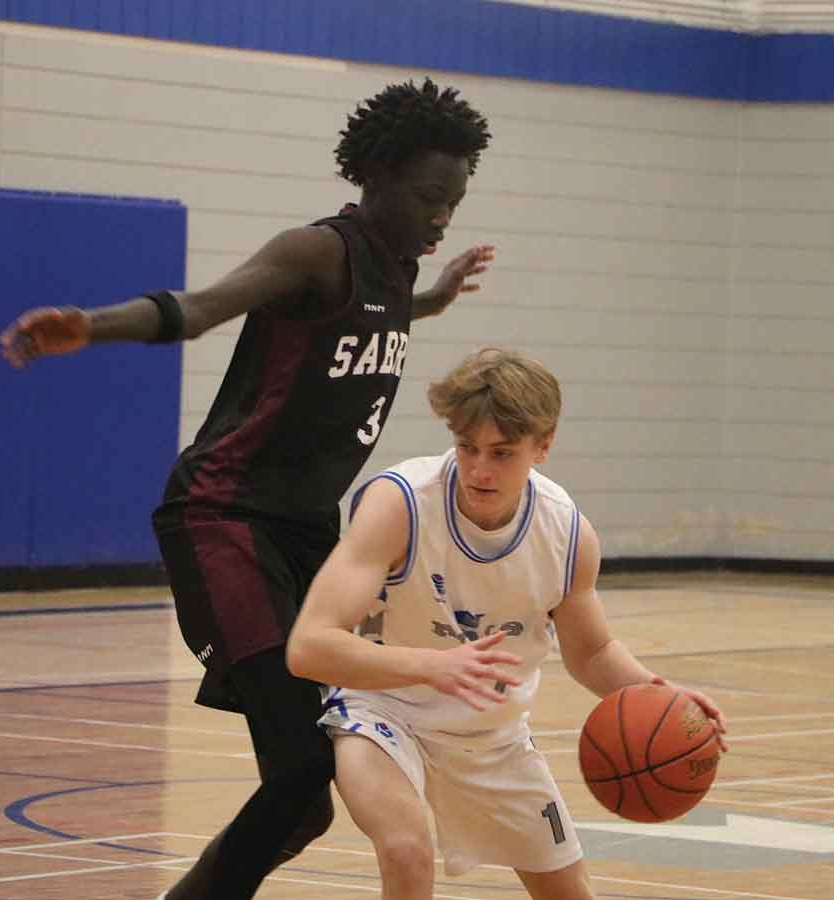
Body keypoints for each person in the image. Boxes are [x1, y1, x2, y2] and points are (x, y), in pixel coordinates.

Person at [0, 78, 493, 900]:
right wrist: (93, 324)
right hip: (224, 518)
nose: (444, 217)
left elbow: (390, 310)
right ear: (376, 174)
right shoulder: (315, 253)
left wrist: (436, 296)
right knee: (302, 775)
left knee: (303, 806)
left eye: (456, 202)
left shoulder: (399, 269)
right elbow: (197, 311)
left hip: (304, 536)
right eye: (431, 197)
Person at [287, 347, 729, 900]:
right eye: (467, 447)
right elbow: (308, 646)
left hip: (491, 736)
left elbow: (590, 654)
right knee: (405, 849)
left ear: (542, 446)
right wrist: (432, 666)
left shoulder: (566, 533)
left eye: (501, 453)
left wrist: (661, 694)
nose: (478, 469)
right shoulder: (398, 504)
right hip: (383, 711)